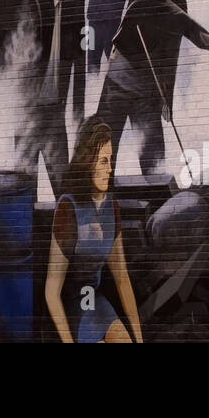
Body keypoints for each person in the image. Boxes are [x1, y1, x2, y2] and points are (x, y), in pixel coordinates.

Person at [94, 0, 209, 177]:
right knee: (100, 160)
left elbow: (172, 52)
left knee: (154, 163)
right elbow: (181, 22)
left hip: (147, 92)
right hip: (119, 84)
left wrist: (166, 99)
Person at [45, 117, 143, 343]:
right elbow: (51, 291)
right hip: (71, 304)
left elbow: (121, 278)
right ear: (88, 162)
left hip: (95, 301)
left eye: (111, 161)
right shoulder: (68, 207)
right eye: (103, 161)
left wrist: (139, 339)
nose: (110, 169)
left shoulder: (112, 206)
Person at [21, 0, 86, 197]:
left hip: (55, 111)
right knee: (23, 191)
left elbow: (81, 54)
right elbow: (21, 56)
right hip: (28, 110)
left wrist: (78, 107)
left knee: (64, 192)